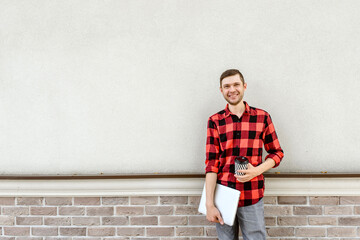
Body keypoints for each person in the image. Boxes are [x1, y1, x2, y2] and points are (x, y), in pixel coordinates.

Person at [205, 69, 284, 240]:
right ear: (221, 90)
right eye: (227, 86)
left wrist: (257, 170)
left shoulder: (262, 117)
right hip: (223, 196)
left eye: (236, 84)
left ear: (244, 86)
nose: (231, 89)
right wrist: (209, 204)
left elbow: (277, 152)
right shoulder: (215, 121)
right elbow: (211, 165)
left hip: (252, 194)